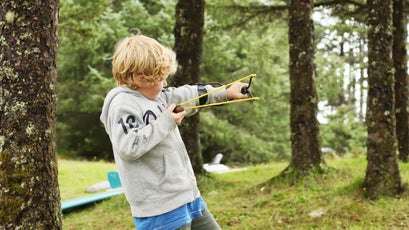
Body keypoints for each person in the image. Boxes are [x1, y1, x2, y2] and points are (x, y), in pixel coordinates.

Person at [100, 34, 248, 230]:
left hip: (187, 197)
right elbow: (129, 146)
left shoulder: (156, 97)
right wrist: (166, 121)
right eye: (161, 79)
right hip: (160, 210)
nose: (165, 84)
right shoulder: (122, 105)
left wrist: (227, 92)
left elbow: (189, 94)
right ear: (141, 78)